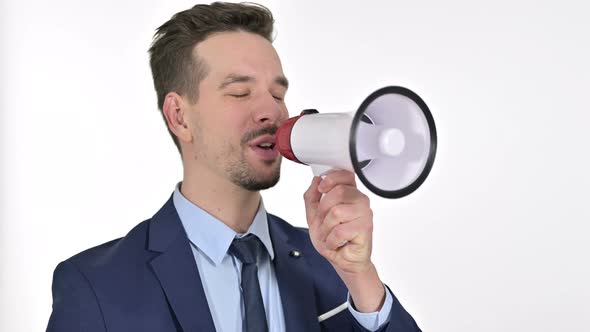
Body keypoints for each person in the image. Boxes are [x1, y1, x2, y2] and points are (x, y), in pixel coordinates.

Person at [46, 2, 421, 331]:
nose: (271, 111)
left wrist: (361, 278)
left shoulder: (331, 263)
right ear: (180, 116)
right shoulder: (96, 285)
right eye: (240, 92)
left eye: (278, 94)